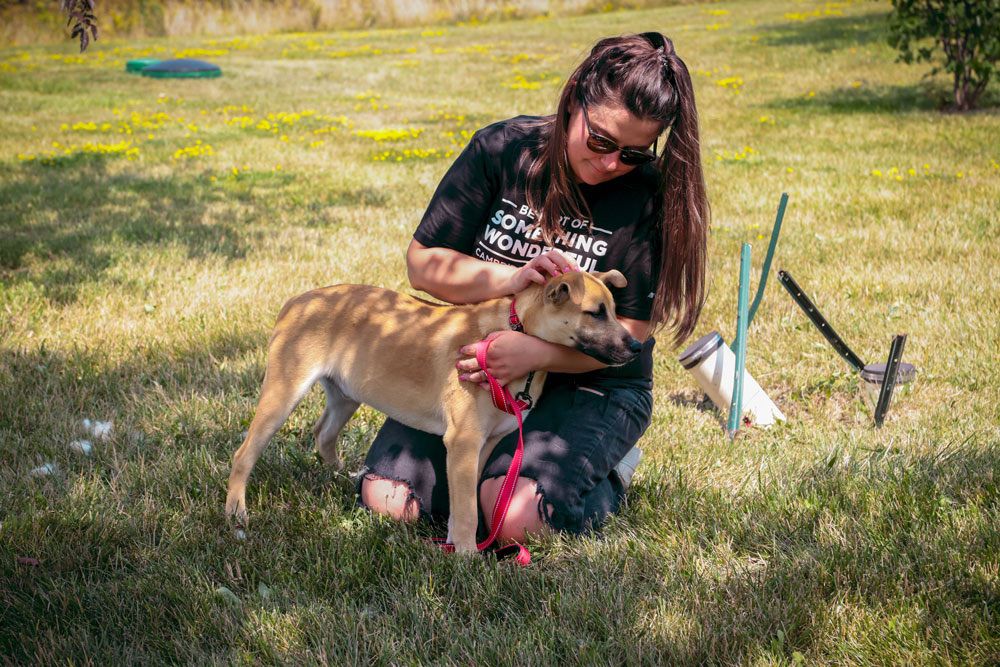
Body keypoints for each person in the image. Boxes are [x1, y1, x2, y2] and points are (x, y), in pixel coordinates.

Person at [358, 31, 709, 543]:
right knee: (390, 500)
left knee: (514, 520)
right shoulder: (503, 149)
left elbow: (628, 336)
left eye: (633, 153)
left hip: (592, 382)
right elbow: (423, 264)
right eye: (602, 141)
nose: (612, 163)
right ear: (575, 101)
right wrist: (511, 280)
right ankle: (490, 466)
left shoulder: (648, 196)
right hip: (478, 378)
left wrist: (533, 353)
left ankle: (606, 471)